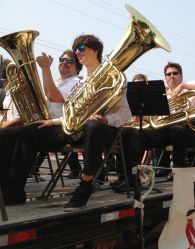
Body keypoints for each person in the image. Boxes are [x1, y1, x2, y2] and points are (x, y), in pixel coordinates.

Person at [1, 34, 132, 209]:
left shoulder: (112, 77)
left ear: (96, 50)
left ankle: (85, 186)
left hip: (103, 129)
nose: (78, 51)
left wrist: (107, 119)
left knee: (94, 126)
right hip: (75, 128)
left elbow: (126, 113)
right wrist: (53, 122)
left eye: (82, 48)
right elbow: (73, 113)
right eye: (76, 48)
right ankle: (13, 191)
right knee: (26, 132)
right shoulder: (82, 82)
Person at [115, 62, 195, 189]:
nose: (172, 76)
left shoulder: (191, 86)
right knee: (133, 133)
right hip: (166, 131)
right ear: (165, 77)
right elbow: (154, 117)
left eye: (175, 73)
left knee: (177, 130)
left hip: (191, 130)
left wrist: (183, 86)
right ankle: (130, 176)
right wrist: (141, 115)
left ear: (181, 76)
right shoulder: (161, 92)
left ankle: (179, 172)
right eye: (168, 74)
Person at [29, 50, 83, 178]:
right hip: (52, 124)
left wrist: (45, 68)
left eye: (69, 61)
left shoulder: (77, 81)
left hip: (65, 127)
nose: (64, 62)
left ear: (77, 69)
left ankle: (26, 171)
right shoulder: (57, 82)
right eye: (61, 59)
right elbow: (44, 104)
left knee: (28, 133)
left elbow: (53, 96)